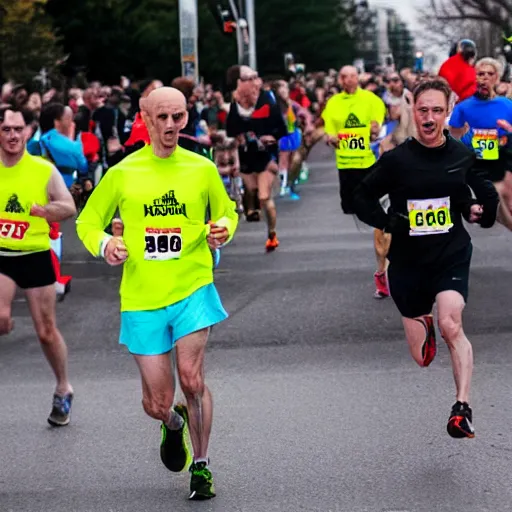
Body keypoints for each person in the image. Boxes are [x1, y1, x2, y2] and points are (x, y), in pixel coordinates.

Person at [76, 87, 238, 501]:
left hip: (193, 286)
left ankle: (201, 466)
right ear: (145, 119)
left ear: (187, 119)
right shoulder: (122, 173)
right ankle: (172, 423)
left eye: (178, 117)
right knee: (156, 400)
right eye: (162, 117)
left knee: (192, 378)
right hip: (143, 298)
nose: (170, 126)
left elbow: (226, 211)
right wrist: (105, 245)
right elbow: (87, 222)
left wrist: (223, 229)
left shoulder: (200, 168)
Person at [353, 78, 499, 439]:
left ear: (448, 111)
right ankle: (425, 325)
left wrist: (480, 210)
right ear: (412, 112)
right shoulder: (396, 161)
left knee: (452, 324)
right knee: (421, 358)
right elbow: (361, 196)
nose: (430, 118)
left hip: (450, 253)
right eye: (423, 110)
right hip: (407, 261)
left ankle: (461, 408)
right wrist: (387, 221)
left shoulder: (462, 155)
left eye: (437, 110)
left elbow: (483, 193)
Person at [0, 106, 76, 426]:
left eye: (18, 129)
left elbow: (68, 206)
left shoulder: (43, 169)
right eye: (6, 130)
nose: (13, 135)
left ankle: (63, 387)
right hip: (2, 253)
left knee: (45, 331)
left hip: (34, 253)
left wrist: (44, 210)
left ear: (28, 131)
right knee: (1, 316)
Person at [226, 65, 288, 251]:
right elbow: (231, 129)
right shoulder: (234, 103)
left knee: (263, 195)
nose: (253, 82)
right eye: (247, 79)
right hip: (246, 156)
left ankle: (272, 233)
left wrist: (272, 137)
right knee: (251, 189)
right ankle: (252, 210)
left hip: (266, 155)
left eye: (254, 78)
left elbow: (281, 127)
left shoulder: (267, 100)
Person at [322, 65, 386, 215]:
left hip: (366, 158)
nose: (349, 80)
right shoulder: (334, 102)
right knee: (348, 206)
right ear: (340, 80)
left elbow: (378, 117)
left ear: (358, 78)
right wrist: (331, 136)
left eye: (352, 76)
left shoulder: (370, 99)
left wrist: (376, 127)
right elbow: (329, 125)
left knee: (367, 199)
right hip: (345, 161)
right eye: (345, 77)